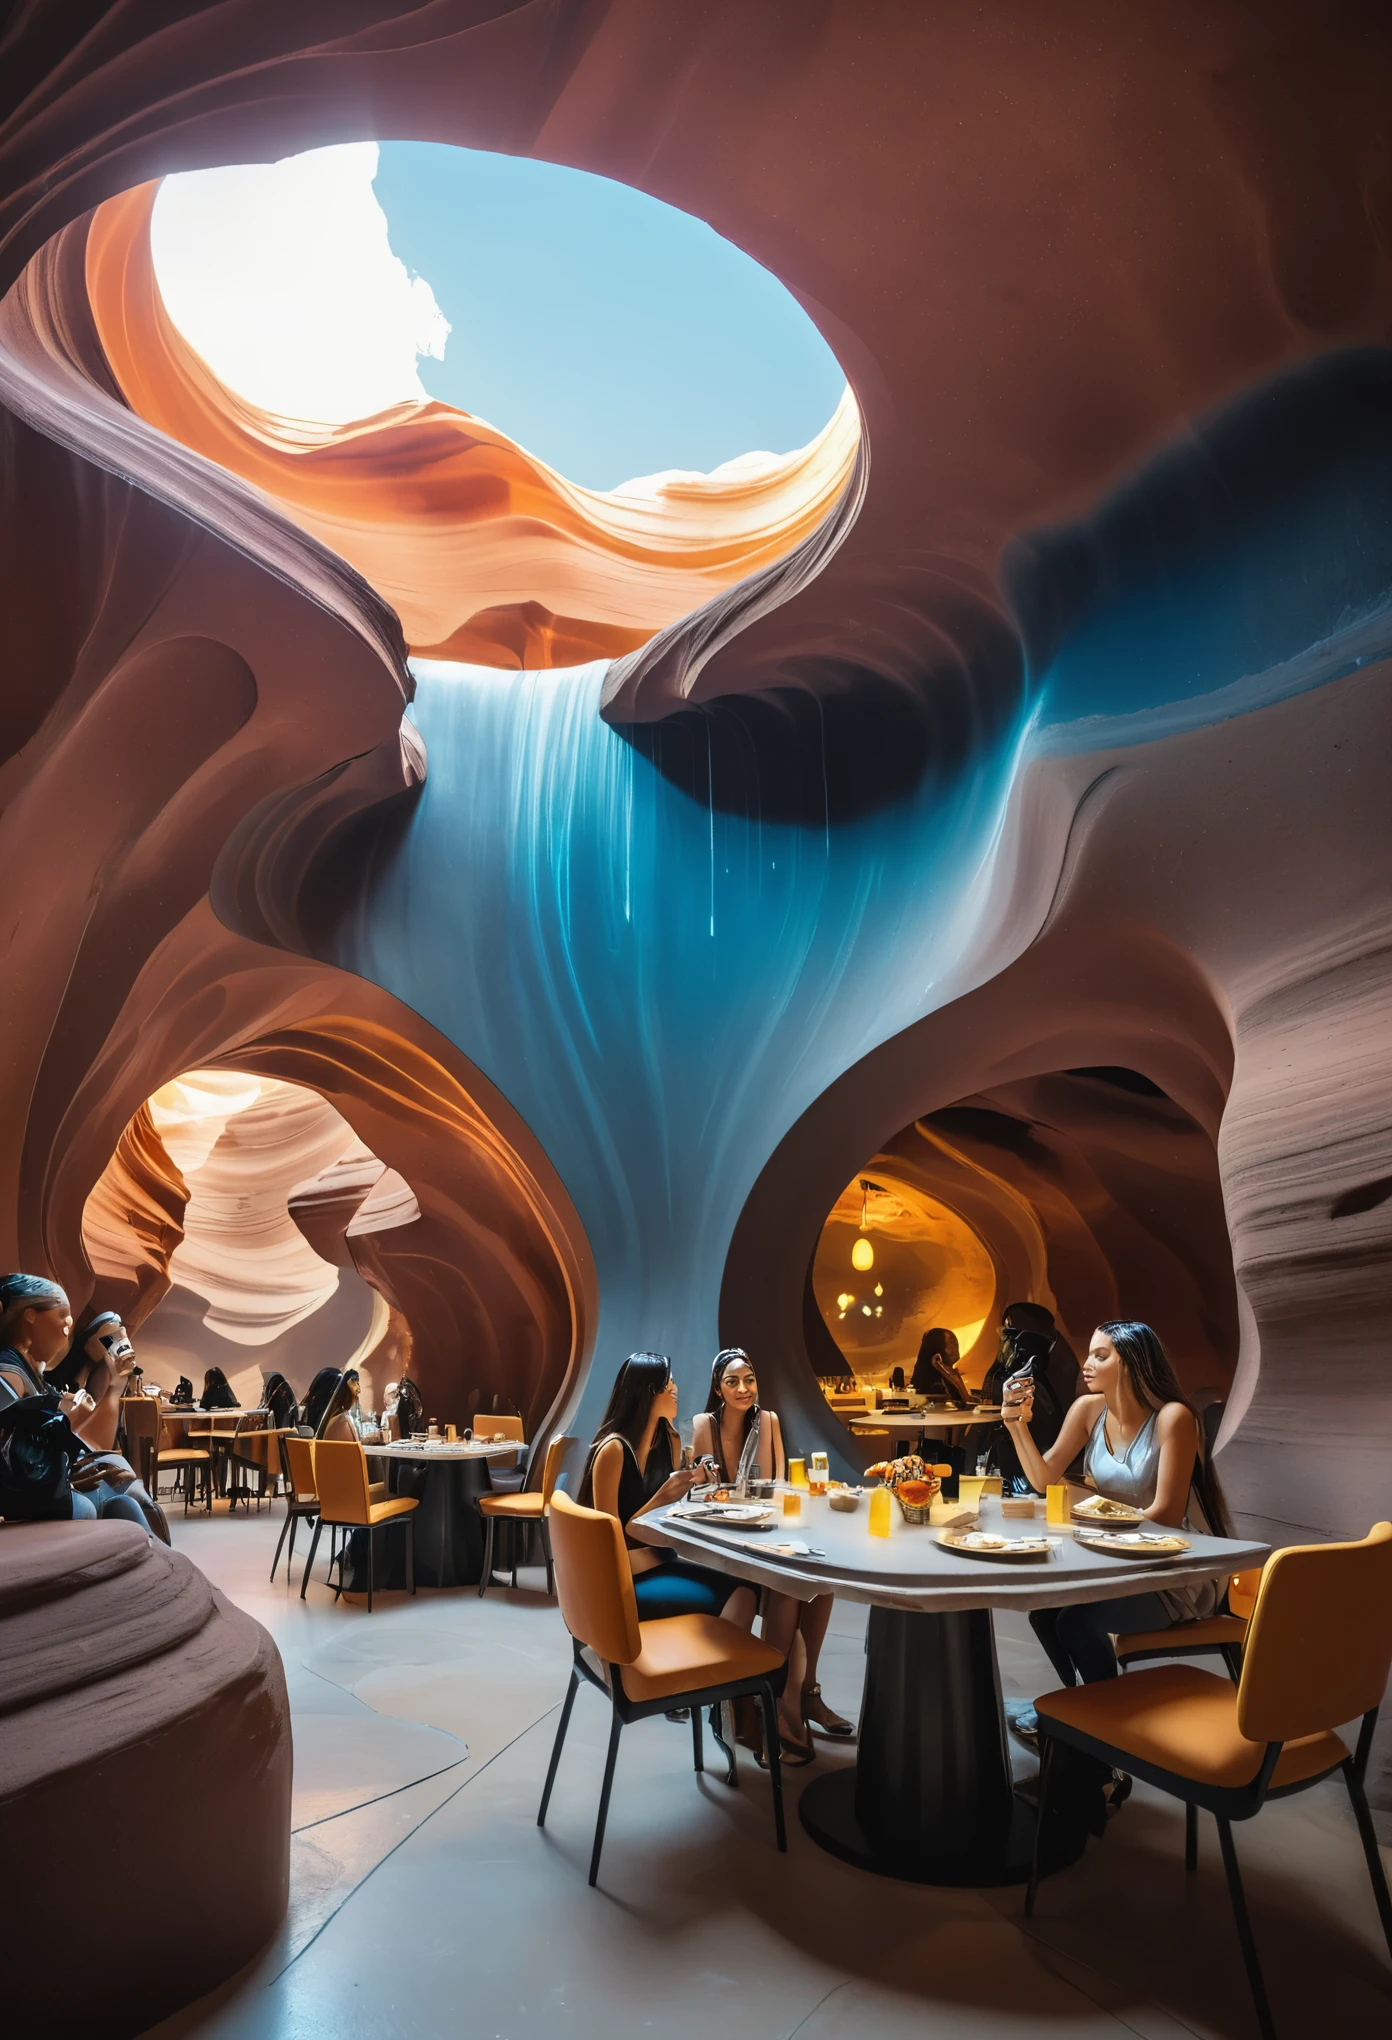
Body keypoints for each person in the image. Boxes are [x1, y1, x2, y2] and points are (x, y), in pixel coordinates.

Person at [1001, 1318, 1228, 1744]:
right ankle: (1078, 1714)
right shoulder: (1089, 1410)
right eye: (1089, 1353)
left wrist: (1087, 1510)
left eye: (1101, 1356)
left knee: (1075, 1623)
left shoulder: (1173, 1418)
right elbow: (1043, 1477)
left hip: (1175, 1571)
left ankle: (1102, 1738)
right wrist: (1016, 1423)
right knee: (1045, 1613)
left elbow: (1165, 1513)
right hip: (1119, 1560)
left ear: (1133, 1365)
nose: (1086, 1364)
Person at [693, 1348, 855, 1759]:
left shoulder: (768, 1422)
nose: (744, 1388)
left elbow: (781, 1486)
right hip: (727, 1547)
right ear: (718, 1389)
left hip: (766, 1535)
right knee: (787, 1587)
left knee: (821, 1580)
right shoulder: (703, 1428)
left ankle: (804, 1693)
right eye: (732, 1381)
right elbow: (701, 1496)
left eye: (749, 1379)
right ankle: (779, 1704)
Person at [579, 1352, 757, 1635]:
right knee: (741, 1597)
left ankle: (716, 1673)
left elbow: (669, 1517)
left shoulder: (669, 1441)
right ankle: (708, 1673)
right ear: (648, 1391)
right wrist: (665, 1495)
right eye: (668, 1383)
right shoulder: (613, 1450)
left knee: (748, 1590)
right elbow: (607, 1544)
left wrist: (694, 1485)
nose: (675, 1390)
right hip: (622, 1581)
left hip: (661, 1561)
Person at [0, 1274, 149, 1527]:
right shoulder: (9, 1370)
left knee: (128, 1498)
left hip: (45, 1490)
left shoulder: (32, 1373)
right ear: (31, 1315)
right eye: (62, 1314)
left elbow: (85, 1441)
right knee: (127, 1497)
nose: (68, 1323)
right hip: (29, 1499)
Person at [911, 1326, 970, 1405]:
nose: (956, 1353)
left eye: (956, 1347)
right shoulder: (926, 1385)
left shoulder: (951, 1375)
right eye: (951, 1348)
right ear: (936, 1350)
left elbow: (966, 1401)